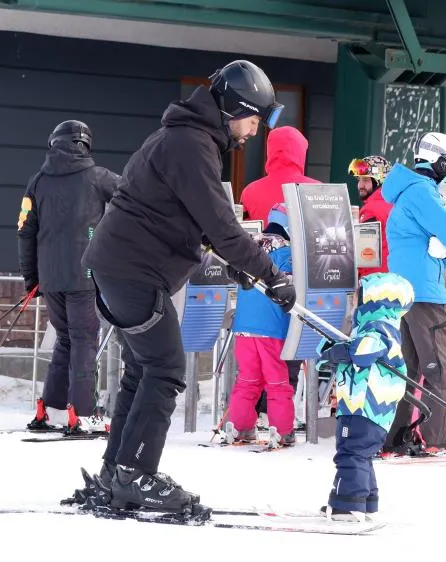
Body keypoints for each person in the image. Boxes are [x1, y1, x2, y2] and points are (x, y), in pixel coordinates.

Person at [77, 60, 297, 514]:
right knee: (166, 370)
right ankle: (136, 475)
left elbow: (188, 220)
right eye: (254, 119)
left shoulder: (183, 138)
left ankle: (116, 471)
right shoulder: (192, 144)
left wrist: (240, 267)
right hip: (134, 271)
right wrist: (272, 274)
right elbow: (221, 225)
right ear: (234, 108)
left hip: (120, 267)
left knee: (144, 370)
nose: (254, 131)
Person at [18, 120, 121, 434]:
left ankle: (51, 408)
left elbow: (25, 231)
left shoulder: (37, 182)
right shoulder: (99, 177)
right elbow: (135, 199)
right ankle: (84, 414)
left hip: (49, 278)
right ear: (86, 144)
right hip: (85, 273)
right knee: (84, 341)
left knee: (66, 339)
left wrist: (31, 279)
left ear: (54, 143)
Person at [379, 132, 446, 454]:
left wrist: (444, 251)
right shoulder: (423, 193)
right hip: (427, 296)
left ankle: (396, 436)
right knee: (438, 369)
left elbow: (438, 244)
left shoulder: (405, 192)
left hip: (402, 293)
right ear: (441, 162)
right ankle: (441, 436)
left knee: (407, 371)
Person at [236, 126, 319, 425]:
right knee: (289, 351)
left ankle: (249, 414)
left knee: (253, 364)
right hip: (297, 282)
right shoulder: (314, 189)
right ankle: (278, 415)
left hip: (254, 289)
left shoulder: (251, 190)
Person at [315, 272, 414, 521]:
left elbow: (362, 352)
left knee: (350, 453)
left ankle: (347, 504)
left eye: (360, 294)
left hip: (363, 405)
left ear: (377, 299)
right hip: (370, 409)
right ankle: (365, 500)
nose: (355, 299)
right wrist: (331, 350)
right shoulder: (381, 326)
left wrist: (341, 351)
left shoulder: (377, 327)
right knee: (362, 454)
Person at [222, 204, 296, 448]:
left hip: (243, 328)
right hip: (272, 328)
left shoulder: (249, 248)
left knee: (248, 379)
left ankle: (239, 425)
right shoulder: (287, 253)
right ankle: (282, 429)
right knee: (276, 381)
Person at [239, 126, 320, 225]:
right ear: (301, 152)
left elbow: (243, 230)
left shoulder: (250, 191)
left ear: (270, 151)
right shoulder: (318, 189)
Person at [348, 155, 394, 277]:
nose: (360, 185)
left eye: (366, 180)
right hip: (396, 280)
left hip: (374, 282)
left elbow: (365, 256)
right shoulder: (396, 205)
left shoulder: (371, 210)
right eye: (359, 180)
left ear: (379, 181)